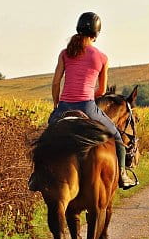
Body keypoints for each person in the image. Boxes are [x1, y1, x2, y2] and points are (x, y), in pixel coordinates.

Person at [48, 12, 135, 189]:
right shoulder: (101, 57)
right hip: (87, 107)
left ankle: (37, 176)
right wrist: (87, 96)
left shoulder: (65, 53)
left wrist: (57, 104)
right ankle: (123, 176)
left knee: (46, 137)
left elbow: (56, 82)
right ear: (96, 34)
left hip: (64, 107)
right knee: (117, 136)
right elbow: (102, 90)